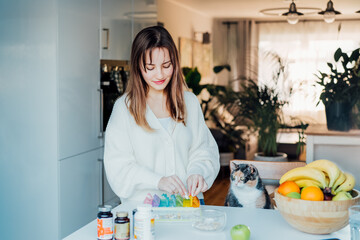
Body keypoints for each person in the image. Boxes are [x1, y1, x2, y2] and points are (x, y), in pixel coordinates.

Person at [104, 26, 220, 205]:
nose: (160, 74)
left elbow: (203, 150)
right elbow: (118, 166)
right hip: (143, 210)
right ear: (138, 68)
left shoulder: (189, 102)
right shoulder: (124, 109)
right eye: (150, 68)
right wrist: (157, 181)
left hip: (188, 205)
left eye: (166, 66)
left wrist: (198, 171)